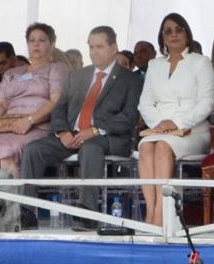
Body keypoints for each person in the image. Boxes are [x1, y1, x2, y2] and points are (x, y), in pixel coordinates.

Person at [21, 26, 141, 225]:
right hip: (72, 135)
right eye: (91, 47)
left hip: (107, 137)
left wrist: (94, 130)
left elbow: (129, 117)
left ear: (114, 47)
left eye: (99, 47)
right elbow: (59, 109)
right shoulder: (77, 76)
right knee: (33, 150)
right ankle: (26, 211)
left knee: (91, 147)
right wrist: (62, 131)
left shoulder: (129, 79)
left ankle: (88, 213)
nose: (94, 52)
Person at [136, 13, 214, 230]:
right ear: (162, 38)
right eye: (167, 31)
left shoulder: (201, 62)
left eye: (178, 29)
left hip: (192, 130)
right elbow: (144, 103)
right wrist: (161, 123)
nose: (173, 35)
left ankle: (163, 213)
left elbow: (207, 103)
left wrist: (176, 122)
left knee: (162, 147)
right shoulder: (154, 65)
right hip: (159, 128)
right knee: (145, 148)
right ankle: (151, 211)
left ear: (187, 34)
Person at [0, 23, 63, 177]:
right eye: (32, 40)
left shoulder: (57, 69)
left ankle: (14, 201)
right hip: (8, 125)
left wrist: (29, 120)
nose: (36, 44)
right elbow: (0, 103)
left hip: (37, 125)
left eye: (42, 40)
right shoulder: (12, 74)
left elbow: (55, 101)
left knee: (8, 155)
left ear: (52, 45)